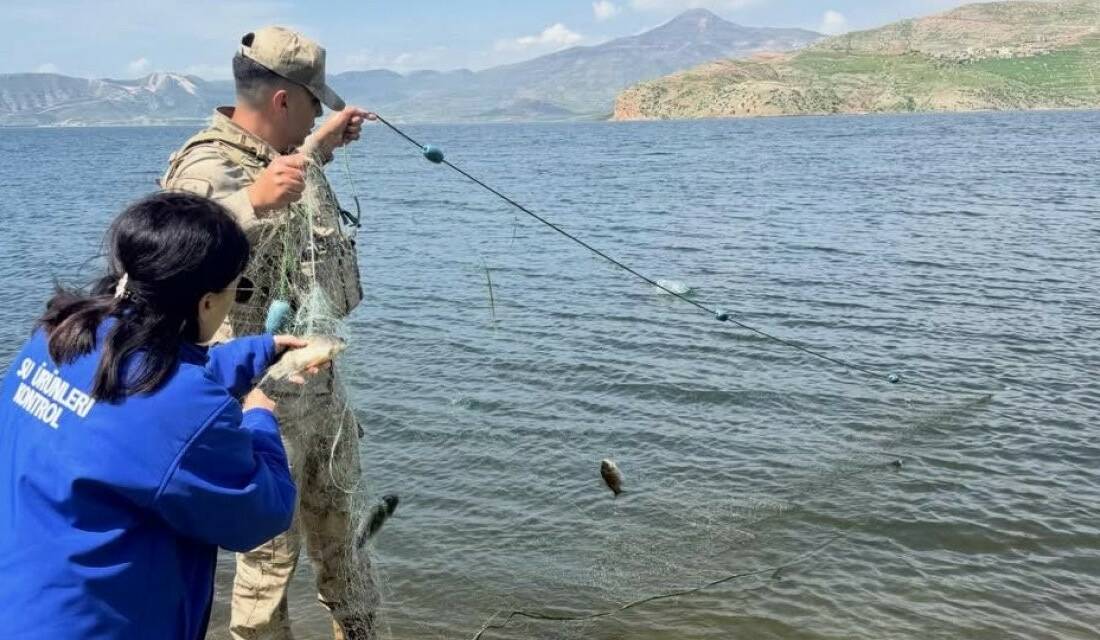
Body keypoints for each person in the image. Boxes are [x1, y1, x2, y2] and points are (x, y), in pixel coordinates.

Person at [0, 192, 303, 640]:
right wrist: (260, 419)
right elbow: (261, 513)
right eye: (236, 290)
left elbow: (141, 392)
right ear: (205, 304)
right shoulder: (182, 409)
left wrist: (261, 350)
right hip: (99, 623)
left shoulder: (61, 335)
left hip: (21, 599)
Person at [161, 26, 377, 640]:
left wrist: (320, 147)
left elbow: (288, 183)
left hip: (319, 389)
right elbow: (168, 257)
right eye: (313, 105)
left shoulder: (276, 155)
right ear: (283, 100)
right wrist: (249, 203)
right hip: (259, 401)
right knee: (268, 562)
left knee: (347, 543)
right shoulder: (203, 166)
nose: (316, 117)